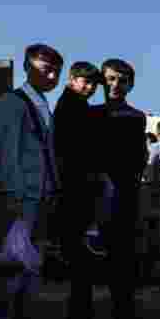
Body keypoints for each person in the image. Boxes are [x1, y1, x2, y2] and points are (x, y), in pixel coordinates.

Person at [0, 43, 64, 319]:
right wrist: (13, 195)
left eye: (56, 70)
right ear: (27, 68)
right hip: (21, 196)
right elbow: (6, 152)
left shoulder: (43, 103)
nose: (52, 74)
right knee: (12, 262)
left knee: (33, 262)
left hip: (42, 194)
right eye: (45, 68)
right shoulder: (12, 101)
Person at [69, 58, 147, 319]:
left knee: (122, 259)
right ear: (103, 81)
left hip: (124, 194)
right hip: (92, 194)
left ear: (131, 84)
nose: (116, 84)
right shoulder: (89, 114)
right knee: (84, 260)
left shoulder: (136, 117)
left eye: (122, 80)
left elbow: (138, 158)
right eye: (111, 78)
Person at [52, 61, 107, 264]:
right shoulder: (71, 104)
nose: (91, 88)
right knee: (73, 222)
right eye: (86, 82)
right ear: (72, 80)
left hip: (72, 170)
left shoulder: (75, 102)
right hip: (72, 171)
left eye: (94, 84)